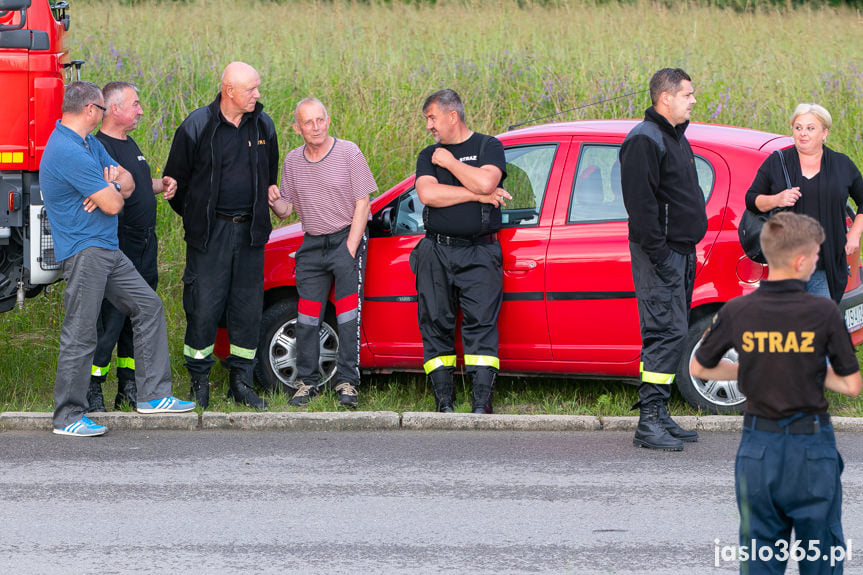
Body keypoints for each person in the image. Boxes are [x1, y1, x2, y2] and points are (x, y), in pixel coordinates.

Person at [691, 212, 861, 574]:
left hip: (759, 448)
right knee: (822, 558)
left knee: (760, 557)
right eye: (816, 255)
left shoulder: (738, 310)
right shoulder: (824, 311)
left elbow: (699, 368)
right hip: (811, 450)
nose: (818, 261)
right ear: (801, 261)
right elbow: (851, 385)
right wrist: (811, 369)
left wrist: (749, 368)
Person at [40, 81, 194, 437]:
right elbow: (115, 202)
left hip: (107, 248)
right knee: (81, 332)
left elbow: (128, 181)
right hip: (85, 250)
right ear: (91, 109)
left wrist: (110, 184)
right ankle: (67, 417)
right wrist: (110, 189)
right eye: (102, 108)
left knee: (149, 306)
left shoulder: (89, 143)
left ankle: (152, 395)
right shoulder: (67, 150)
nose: (104, 113)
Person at [164, 62, 279, 410]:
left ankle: (240, 382)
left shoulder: (264, 125)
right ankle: (199, 383)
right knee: (203, 307)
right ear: (229, 90)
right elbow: (175, 184)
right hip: (210, 234)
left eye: (257, 88)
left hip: (250, 234)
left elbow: (269, 176)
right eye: (251, 89)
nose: (257, 95)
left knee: (247, 310)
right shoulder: (197, 125)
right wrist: (201, 217)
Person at [269, 98, 376, 407]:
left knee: (346, 316)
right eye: (307, 122)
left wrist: (350, 249)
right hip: (313, 245)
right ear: (297, 128)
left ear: (328, 120)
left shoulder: (348, 152)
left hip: (345, 240)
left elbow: (362, 202)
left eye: (320, 120)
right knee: (307, 318)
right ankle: (307, 382)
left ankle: (347, 383)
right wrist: (273, 199)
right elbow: (286, 210)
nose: (315, 127)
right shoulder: (292, 161)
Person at [620, 67, 705, 451]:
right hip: (661, 254)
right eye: (687, 94)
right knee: (663, 332)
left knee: (673, 333)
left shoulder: (674, 136)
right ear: (666, 97)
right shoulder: (644, 140)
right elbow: (641, 208)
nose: (692, 100)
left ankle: (661, 413)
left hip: (681, 251)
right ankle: (648, 421)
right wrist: (661, 256)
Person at [411, 88, 510, 414]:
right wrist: (477, 196)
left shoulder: (488, 146)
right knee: (435, 323)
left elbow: (487, 182)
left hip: (480, 252)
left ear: (452, 116)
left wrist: (452, 164)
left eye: (432, 118)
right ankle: (445, 404)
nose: (429, 126)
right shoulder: (428, 154)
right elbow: (428, 194)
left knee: (481, 325)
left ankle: (481, 405)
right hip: (436, 250)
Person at [86, 81, 177, 412]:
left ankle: (130, 387)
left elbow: (135, 185)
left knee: (136, 318)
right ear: (115, 109)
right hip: (119, 243)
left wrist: (161, 184)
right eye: (135, 104)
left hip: (145, 245)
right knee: (109, 319)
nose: (140, 110)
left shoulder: (130, 144)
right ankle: (92, 388)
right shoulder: (98, 148)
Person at [745, 103, 863, 303]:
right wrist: (777, 199)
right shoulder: (777, 162)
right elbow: (752, 200)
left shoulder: (841, 164)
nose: (803, 133)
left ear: (824, 133)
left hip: (827, 263)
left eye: (810, 128)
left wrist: (854, 234)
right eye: (798, 127)